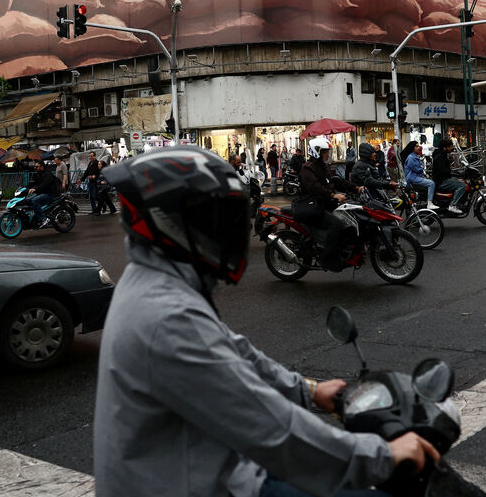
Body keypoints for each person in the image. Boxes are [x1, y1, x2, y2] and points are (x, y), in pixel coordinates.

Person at [93, 147, 438, 497]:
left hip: (207, 469)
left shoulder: (155, 282)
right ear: (174, 223)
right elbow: (269, 426)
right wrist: (380, 456)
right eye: (219, 220)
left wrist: (310, 391)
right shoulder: (164, 315)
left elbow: (233, 353)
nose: (231, 232)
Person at [295, 136, 359, 270]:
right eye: (325, 151)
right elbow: (315, 187)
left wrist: (356, 187)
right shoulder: (307, 168)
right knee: (336, 224)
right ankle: (327, 259)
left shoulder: (323, 166)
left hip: (325, 203)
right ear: (316, 151)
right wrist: (333, 195)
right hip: (312, 206)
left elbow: (335, 180)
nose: (327, 154)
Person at [431, 138, 468, 215]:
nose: (452, 148)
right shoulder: (440, 157)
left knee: (460, 181)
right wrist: (453, 172)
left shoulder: (442, 155)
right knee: (462, 186)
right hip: (442, 181)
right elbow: (443, 171)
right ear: (445, 148)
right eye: (450, 146)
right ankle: (453, 205)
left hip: (443, 179)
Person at [401, 141, 438, 210]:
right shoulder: (411, 157)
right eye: (416, 146)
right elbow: (418, 169)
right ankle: (429, 203)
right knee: (431, 184)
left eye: (418, 146)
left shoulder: (414, 156)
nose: (419, 147)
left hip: (415, 177)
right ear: (412, 148)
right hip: (413, 178)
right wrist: (423, 169)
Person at [27, 161, 60, 228]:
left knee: (35, 201)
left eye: (37, 167)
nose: (35, 168)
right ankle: (34, 216)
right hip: (41, 193)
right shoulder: (37, 174)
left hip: (49, 194)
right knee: (27, 200)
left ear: (42, 167)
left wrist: (35, 189)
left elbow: (45, 184)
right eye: (35, 167)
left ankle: (43, 219)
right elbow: (33, 183)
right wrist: (24, 188)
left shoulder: (48, 174)